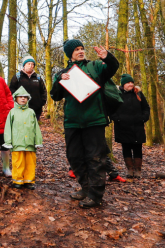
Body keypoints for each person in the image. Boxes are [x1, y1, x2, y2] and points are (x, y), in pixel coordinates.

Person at [50, 39, 119, 209]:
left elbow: (112, 68)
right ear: (70, 54)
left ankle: (95, 195)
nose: (81, 51)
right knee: (75, 157)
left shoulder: (95, 66)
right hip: (72, 122)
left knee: (95, 158)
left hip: (94, 119)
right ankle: (86, 188)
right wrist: (59, 79)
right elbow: (55, 96)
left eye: (82, 48)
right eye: (76, 50)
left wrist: (108, 57)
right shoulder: (65, 72)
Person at [111, 74, 150, 178]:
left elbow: (146, 108)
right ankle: (130, 170)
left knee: (137, 148)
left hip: (137, 126)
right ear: (123, 84)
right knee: (126, 147)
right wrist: (117, 118)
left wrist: (143, 118)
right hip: (122, 126)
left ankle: (138, 170)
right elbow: (111, 108)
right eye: (128, 83)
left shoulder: (138, 94)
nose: (131, 84)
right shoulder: (117, 94)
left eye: (132, 82)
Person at [3, 87, 43, 189]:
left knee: (30, 162)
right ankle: (18, 180)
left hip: (30, 142)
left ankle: (29, 180)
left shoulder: (31, 112)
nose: (23, 99)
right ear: (15, 98)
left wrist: (38, 141)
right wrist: (8, 141)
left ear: (28, 99)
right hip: (17, 142)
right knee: (18, 162)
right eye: (20, 97)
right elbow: (8, 128)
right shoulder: (12, 112)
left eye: (25, 97)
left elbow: (36, 128)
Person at [8, 55, 47, 120]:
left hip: (36, 109)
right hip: (20, 109)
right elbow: (11, 91)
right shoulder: (17, 77)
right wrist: (15, 103)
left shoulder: (38, 78)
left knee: (33, 128)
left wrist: (41, 103)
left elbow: (43, 91)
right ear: (24, 65)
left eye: (32, 64)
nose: (30, 66)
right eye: (28, 64)